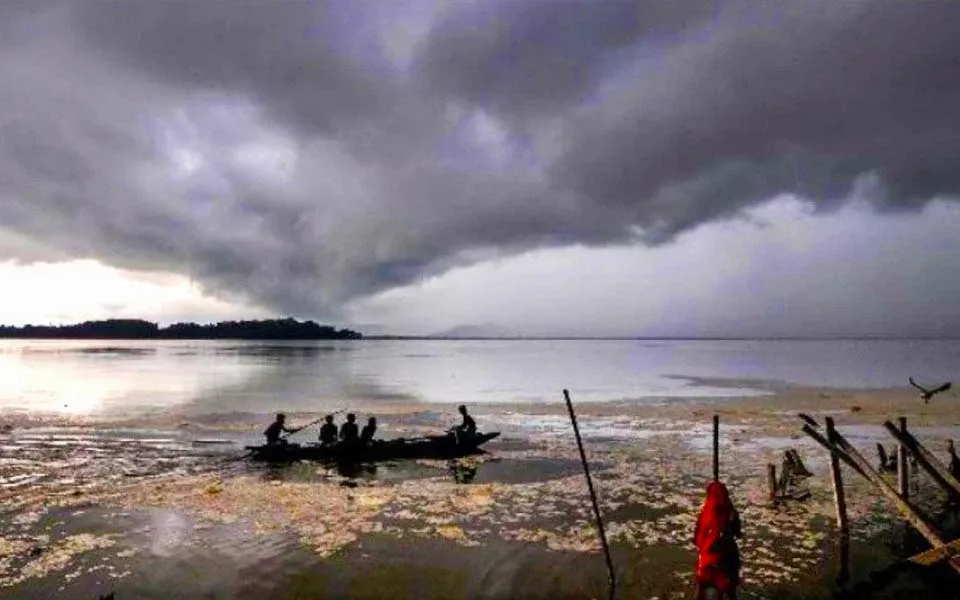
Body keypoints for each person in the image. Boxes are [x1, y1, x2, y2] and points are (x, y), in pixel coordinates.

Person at [694, 480, 742, 600]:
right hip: (727, 556)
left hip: (709, 556)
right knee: (731, 584)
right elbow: (738, 532)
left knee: (701, 583)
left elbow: (697, 536)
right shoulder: (731, 512)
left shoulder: (705, 512)